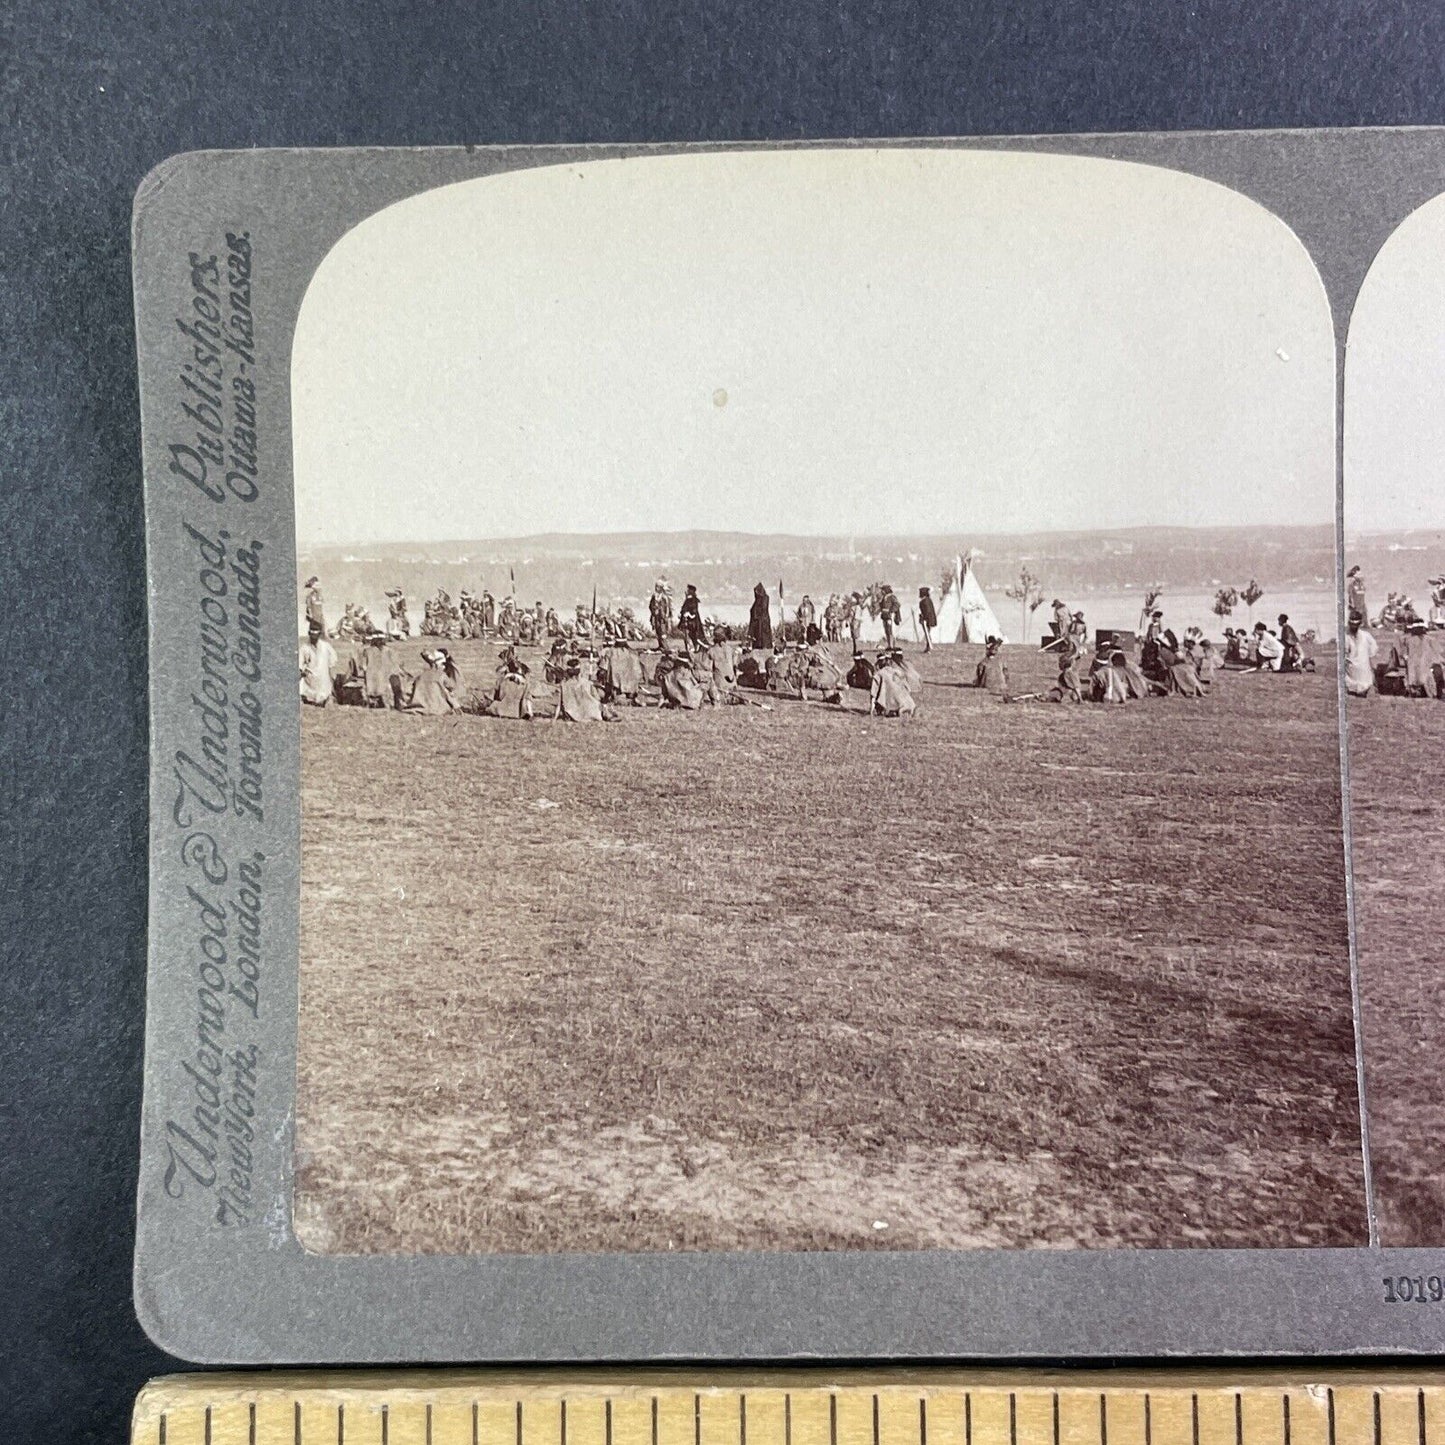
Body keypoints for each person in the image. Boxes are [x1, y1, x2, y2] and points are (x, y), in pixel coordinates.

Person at [406, 651, 458, 715]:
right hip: (439, 709)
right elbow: (452, 687)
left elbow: (408, 691)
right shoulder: (442, 675)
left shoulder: (420, 676)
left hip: (420, 707)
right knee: (447, 691)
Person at [656, 644, 704, 709]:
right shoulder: (665, 661)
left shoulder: (685, 657)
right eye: (671, 652)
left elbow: (690, 664)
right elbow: (664, 668)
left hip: (684, 677)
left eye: (674, 652)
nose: (672, 654)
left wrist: (677, 658)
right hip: (673, 678)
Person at [299, 623, 337, 705]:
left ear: (319, 635)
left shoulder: (326, 646)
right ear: (309, 634)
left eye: (316, 635)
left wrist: (331, 676)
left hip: (324, 682)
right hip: (310, 683)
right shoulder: (304, 648)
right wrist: (303, 672)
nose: (313, 638)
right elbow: (300, 666)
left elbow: (333, 662)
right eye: (312, 635)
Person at [1344, 608, 1379, 697]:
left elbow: (1373, 651)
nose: (1354, 627)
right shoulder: (1346, 637)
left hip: (1364, 674)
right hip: (1352, 675)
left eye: (1356, 624)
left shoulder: (1366, 636)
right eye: (1353, 624)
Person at [600, 637, 645, 705]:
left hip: (616, 686)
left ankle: (619, 698)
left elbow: (603, 668)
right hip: (631, 685)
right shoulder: (633, 653)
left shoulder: (610, 652)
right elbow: (639, 672)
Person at [871, 652, 917, 716]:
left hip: (891, 706)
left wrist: (871, 711)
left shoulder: (878, 675)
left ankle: (893, 710)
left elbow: (873, 695)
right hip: (909, 704)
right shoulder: (899, 672)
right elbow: (908, 689)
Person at [678, 584, 705, 651]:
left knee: (693, 635)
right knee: (686, 636)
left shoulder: (693, 600)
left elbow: (694, 611)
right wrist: (682, 615)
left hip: (692, 621)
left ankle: (694, 648)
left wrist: (689, 614)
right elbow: (684, 609)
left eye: (688, 590)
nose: (687, 591)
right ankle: (689, 648)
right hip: (686, 621)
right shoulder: (688, 599)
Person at [747, 582, 773, 652]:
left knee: (763, 636)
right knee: (757, 635)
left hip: (763, 621)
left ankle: (764, 645)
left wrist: (757, 616)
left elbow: (763, 609)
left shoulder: (765, 598)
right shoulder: (757, 600)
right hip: (757, 622)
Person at [649, 580, 673, 649]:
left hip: (662, 616)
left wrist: (666, 615)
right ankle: (660, 645)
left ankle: (665, 646)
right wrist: (653, 610)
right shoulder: (654, 596)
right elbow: (650, 605)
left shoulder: (664, 597)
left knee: (663, 631)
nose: (656, 588)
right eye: (656, 586)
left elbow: (668, 607)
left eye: (658, 587)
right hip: (655, 616)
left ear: (661, 588)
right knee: (657, 630)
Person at [918, 586, 938, 652]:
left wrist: (924, 618)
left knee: (927, 633)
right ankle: (928, 646)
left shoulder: (925, 601)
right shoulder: (928, 600)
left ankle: (929, 646)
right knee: (927, 633)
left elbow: (927, 611)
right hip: (929, 619)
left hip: (927, 619)